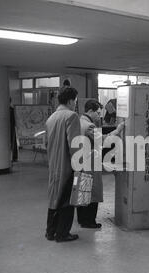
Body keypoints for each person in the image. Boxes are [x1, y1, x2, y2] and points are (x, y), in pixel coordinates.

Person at [77, 99, 124, 229]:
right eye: (97, 113)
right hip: (90, 164)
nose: (99, 115)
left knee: (82, 192)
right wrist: (117, 130)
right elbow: (103, 140)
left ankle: (82, 219)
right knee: (92, 192)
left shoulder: (79, 122)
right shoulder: (89, 126)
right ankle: (89, 221)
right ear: (90, 111)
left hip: (81, 162)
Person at [45, 86, 81, 242]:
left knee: (54, 197)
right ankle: (62, 233)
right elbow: (75, 145)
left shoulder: (51, 118)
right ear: (70, 100)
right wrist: (79, 167)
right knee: (67, 199)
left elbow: (46, 143)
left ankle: (50, 231)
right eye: (75, 100)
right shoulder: (71, 116)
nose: (75, 104)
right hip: (67, 165)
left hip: (54, 164)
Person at [9, 98, 18, 162]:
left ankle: (13, 157)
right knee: (13, 143)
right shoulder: (12, 110)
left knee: (12, 143)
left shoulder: (11, 110)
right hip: (12, 128)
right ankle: (14, 157)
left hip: (10, 128)